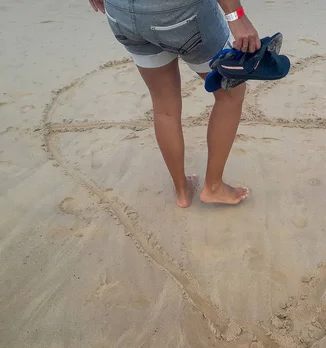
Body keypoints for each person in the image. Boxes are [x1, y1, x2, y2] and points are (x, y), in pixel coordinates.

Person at [89, 0, 261, 207]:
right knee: (230, 92)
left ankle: (181, 190)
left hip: (121, 12)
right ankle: (213, 187)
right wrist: (236, 16)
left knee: (163, 103)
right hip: (180, 13)